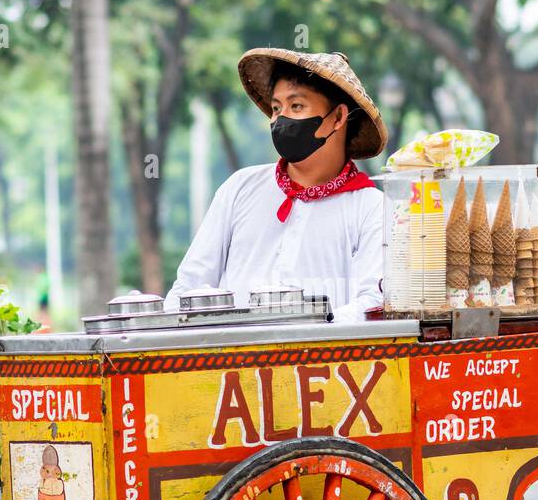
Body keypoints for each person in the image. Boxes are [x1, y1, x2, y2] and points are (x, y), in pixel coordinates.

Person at [165, 48, 388, 322]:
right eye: (276, 108)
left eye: (296, 107)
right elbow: (188, 288)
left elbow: (372, 304)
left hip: (323, 360)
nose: (280, 120)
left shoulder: (371, 208)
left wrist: (312, 328)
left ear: (338, 118)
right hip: (232, 358)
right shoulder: (240, 188)